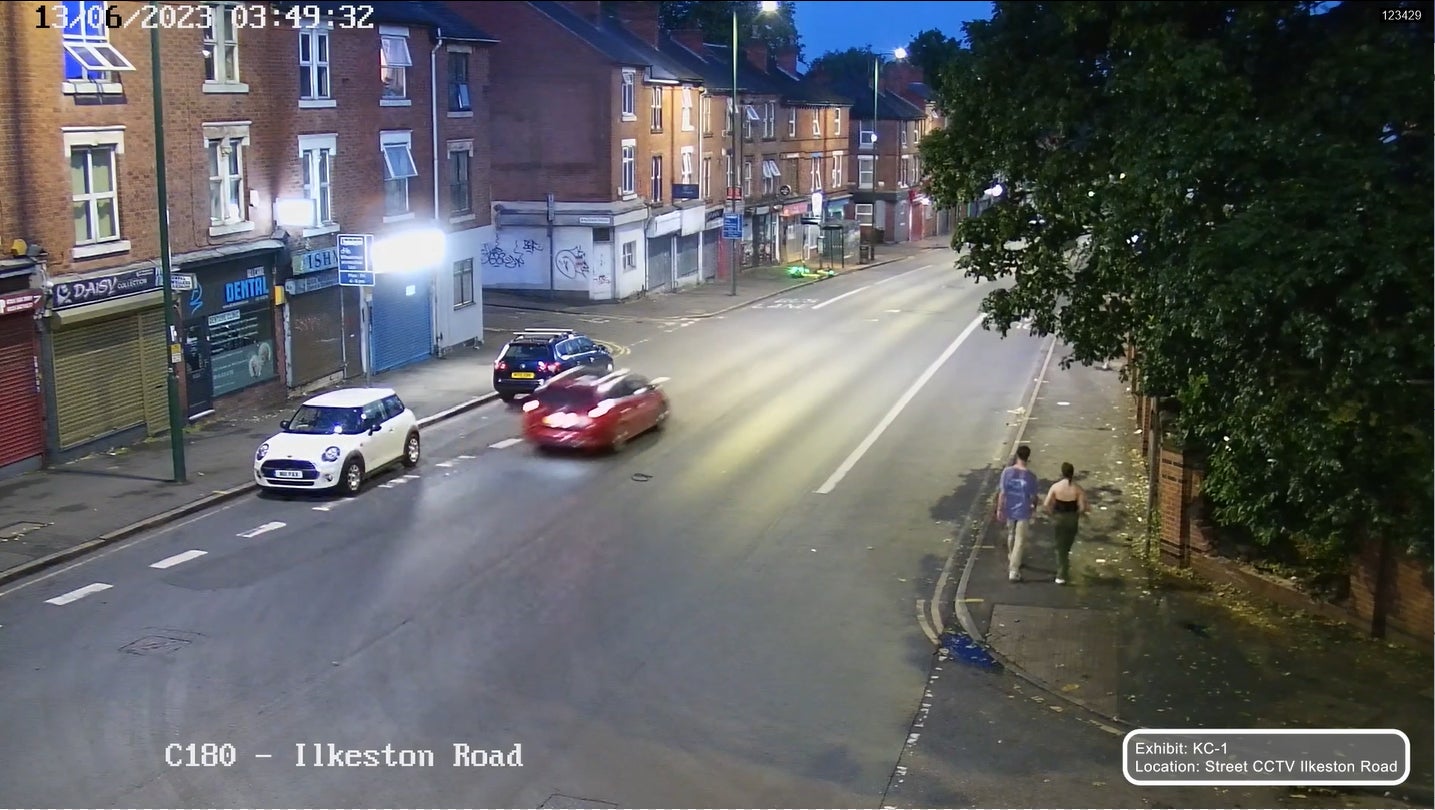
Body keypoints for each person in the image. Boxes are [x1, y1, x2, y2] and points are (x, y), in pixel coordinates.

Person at [995, 444, 1040, 582]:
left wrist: (999, 508)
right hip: (1023, 510)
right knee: (1020, 540)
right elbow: (1034, 496)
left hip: (1010, 507)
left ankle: (1011, 556)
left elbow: (1002, 493)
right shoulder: (1031, 476)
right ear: (1028, 457)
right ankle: (1013, 570)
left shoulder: (1007, 472)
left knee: (1011, 534)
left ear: (1017, 455)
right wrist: (1034, 508)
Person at [1043, 462, 1091, 585]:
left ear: (1062, 472)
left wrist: (1052, 514)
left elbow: (1046, 505)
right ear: (1072, 473)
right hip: (1072, 519)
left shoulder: (1055, 487)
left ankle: (1061, 574)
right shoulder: (1077, 489)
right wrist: (1079, 514)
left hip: (1059, 518)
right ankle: (1064, 568)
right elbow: (1082, 507)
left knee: (1060, 547)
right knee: (1067, 545)